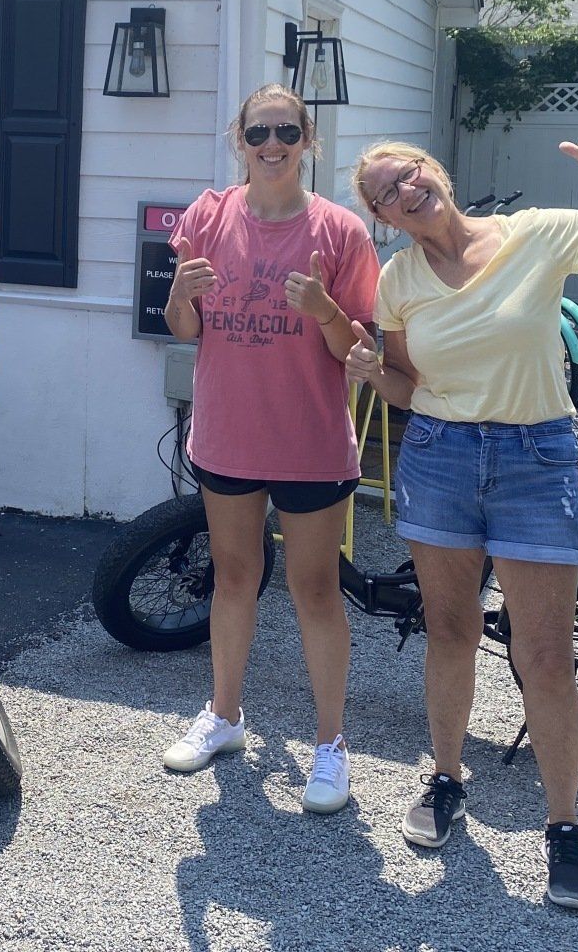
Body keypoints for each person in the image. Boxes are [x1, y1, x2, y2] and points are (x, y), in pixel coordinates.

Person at [345, 129, 578, 911]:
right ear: (383, 215)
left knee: (544, 653)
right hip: (437, 457)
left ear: (436, 173)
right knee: (450, 631)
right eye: (385, 191)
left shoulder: (536, 234)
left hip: (536, 459)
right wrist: (372, 372)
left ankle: (563, 828)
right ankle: (444, 779)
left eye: (410, 173)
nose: (405, 189)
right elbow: (405, 384)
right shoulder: (397, 280)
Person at [158, 84, 379, 816]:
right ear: (240, 141)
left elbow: (358, 349)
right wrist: (179, 298)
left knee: (314, 589)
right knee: (234, 577)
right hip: (227, 433)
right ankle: (224, 716)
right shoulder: (208, 216)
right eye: (259, 132)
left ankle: (330, 744)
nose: (273, 143)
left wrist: (325, 311)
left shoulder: (341, 232)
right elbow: (185, 330)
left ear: (308, 139)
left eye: (287, 130)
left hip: (311, 441)